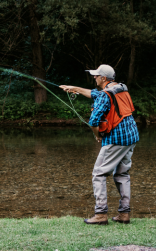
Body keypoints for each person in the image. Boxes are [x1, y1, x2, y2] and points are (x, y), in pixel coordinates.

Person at [60, 64, 139, 225]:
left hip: (116, 139)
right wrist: (73, 88)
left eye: (96, 75)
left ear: (103, 78)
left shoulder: (105, 94)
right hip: (131, 137)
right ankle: (124, 214)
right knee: (122, 174)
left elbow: (93, 121)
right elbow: (95, 94)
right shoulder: (120, 88)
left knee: (99, 174)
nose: (94, 77)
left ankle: (101, 214)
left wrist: (98, 136)